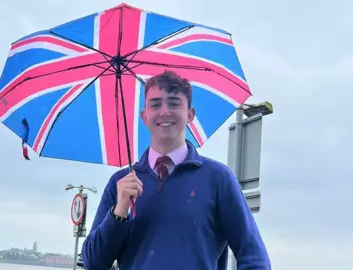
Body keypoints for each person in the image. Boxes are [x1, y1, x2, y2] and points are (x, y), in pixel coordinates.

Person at [81, 70, 271, 269]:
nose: (164, 112)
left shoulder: (218, 179)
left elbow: (254, 256)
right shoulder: (121, 184)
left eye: (174, 103)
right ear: (144, 116)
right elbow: (93, 263)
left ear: (190, 115)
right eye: (155, 104)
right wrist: (119, 213)